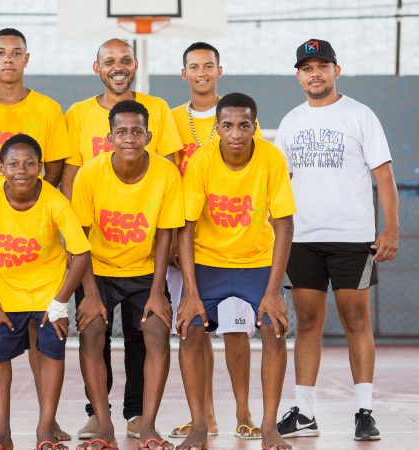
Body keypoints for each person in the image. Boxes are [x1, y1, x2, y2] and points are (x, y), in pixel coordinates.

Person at [274, 38, 399, 442]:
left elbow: (384, 177)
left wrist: (391, 228)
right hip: (304, 238)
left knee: (356, 321)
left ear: (335, 71)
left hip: (352, 238)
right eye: (307, 68)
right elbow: (282, 184)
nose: (315, 74)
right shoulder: (292, 121)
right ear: (298, 75)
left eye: (322, 66)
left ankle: (364, 410)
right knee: (307, 322)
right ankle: (305, 411)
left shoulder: (360, 116)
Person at [60, 38, 183, 440]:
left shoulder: (161, 154)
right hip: (97, 262)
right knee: (93, 328)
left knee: (146, 332)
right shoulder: (90, 165)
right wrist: (88, 289)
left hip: (145, 264)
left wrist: (159, 289)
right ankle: (101, 417)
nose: (129, 137)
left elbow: (165, 221)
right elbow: (78, 229)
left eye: (125, 59)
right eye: (109, 60)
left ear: (148, 135)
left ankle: (142, 419)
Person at [0, 28, 73, 443]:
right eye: (1, 52)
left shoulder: (47, 109)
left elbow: (56, 168)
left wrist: (35, 210)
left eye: (16, 52)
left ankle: (48, 420)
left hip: (36, 235)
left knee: (42, 329)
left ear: (27, 59)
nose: (8, 59)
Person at [176, 92, 295, 450]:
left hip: (255, 260)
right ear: (217, 129)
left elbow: (285, 225)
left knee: (274, 330)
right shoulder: (201, 161)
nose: (236, 133)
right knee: (190, 331)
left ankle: (269, 427)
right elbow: (186, 226)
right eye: (227, 125)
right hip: (208, 262)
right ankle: (200, 426)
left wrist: (273, 293)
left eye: (244, 125)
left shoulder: (271, 158)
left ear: (255, 127)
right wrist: (191, 293)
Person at [0, 133, 91, 450]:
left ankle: (45, 429)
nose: (22, 170)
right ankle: (1, 431)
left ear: (41, 168)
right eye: (14, 163)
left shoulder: (54, 201)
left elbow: (81, 253)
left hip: (48, 294)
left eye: (30, 163)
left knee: (51, 352)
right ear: (1, 166)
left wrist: (60, 303)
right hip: (6, 295)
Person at [167, 42, 263, 442]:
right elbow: (169, 177)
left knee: (236, 329)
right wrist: (173, 239)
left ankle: (243, 411)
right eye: (194, 66)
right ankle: (203, 416)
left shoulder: (236, 113)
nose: (202, 72)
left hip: (233, 239)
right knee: (193, 328)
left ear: (219, 71)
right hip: (190, 241)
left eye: (209, 65)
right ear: (184, 73)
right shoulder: (171, 119)